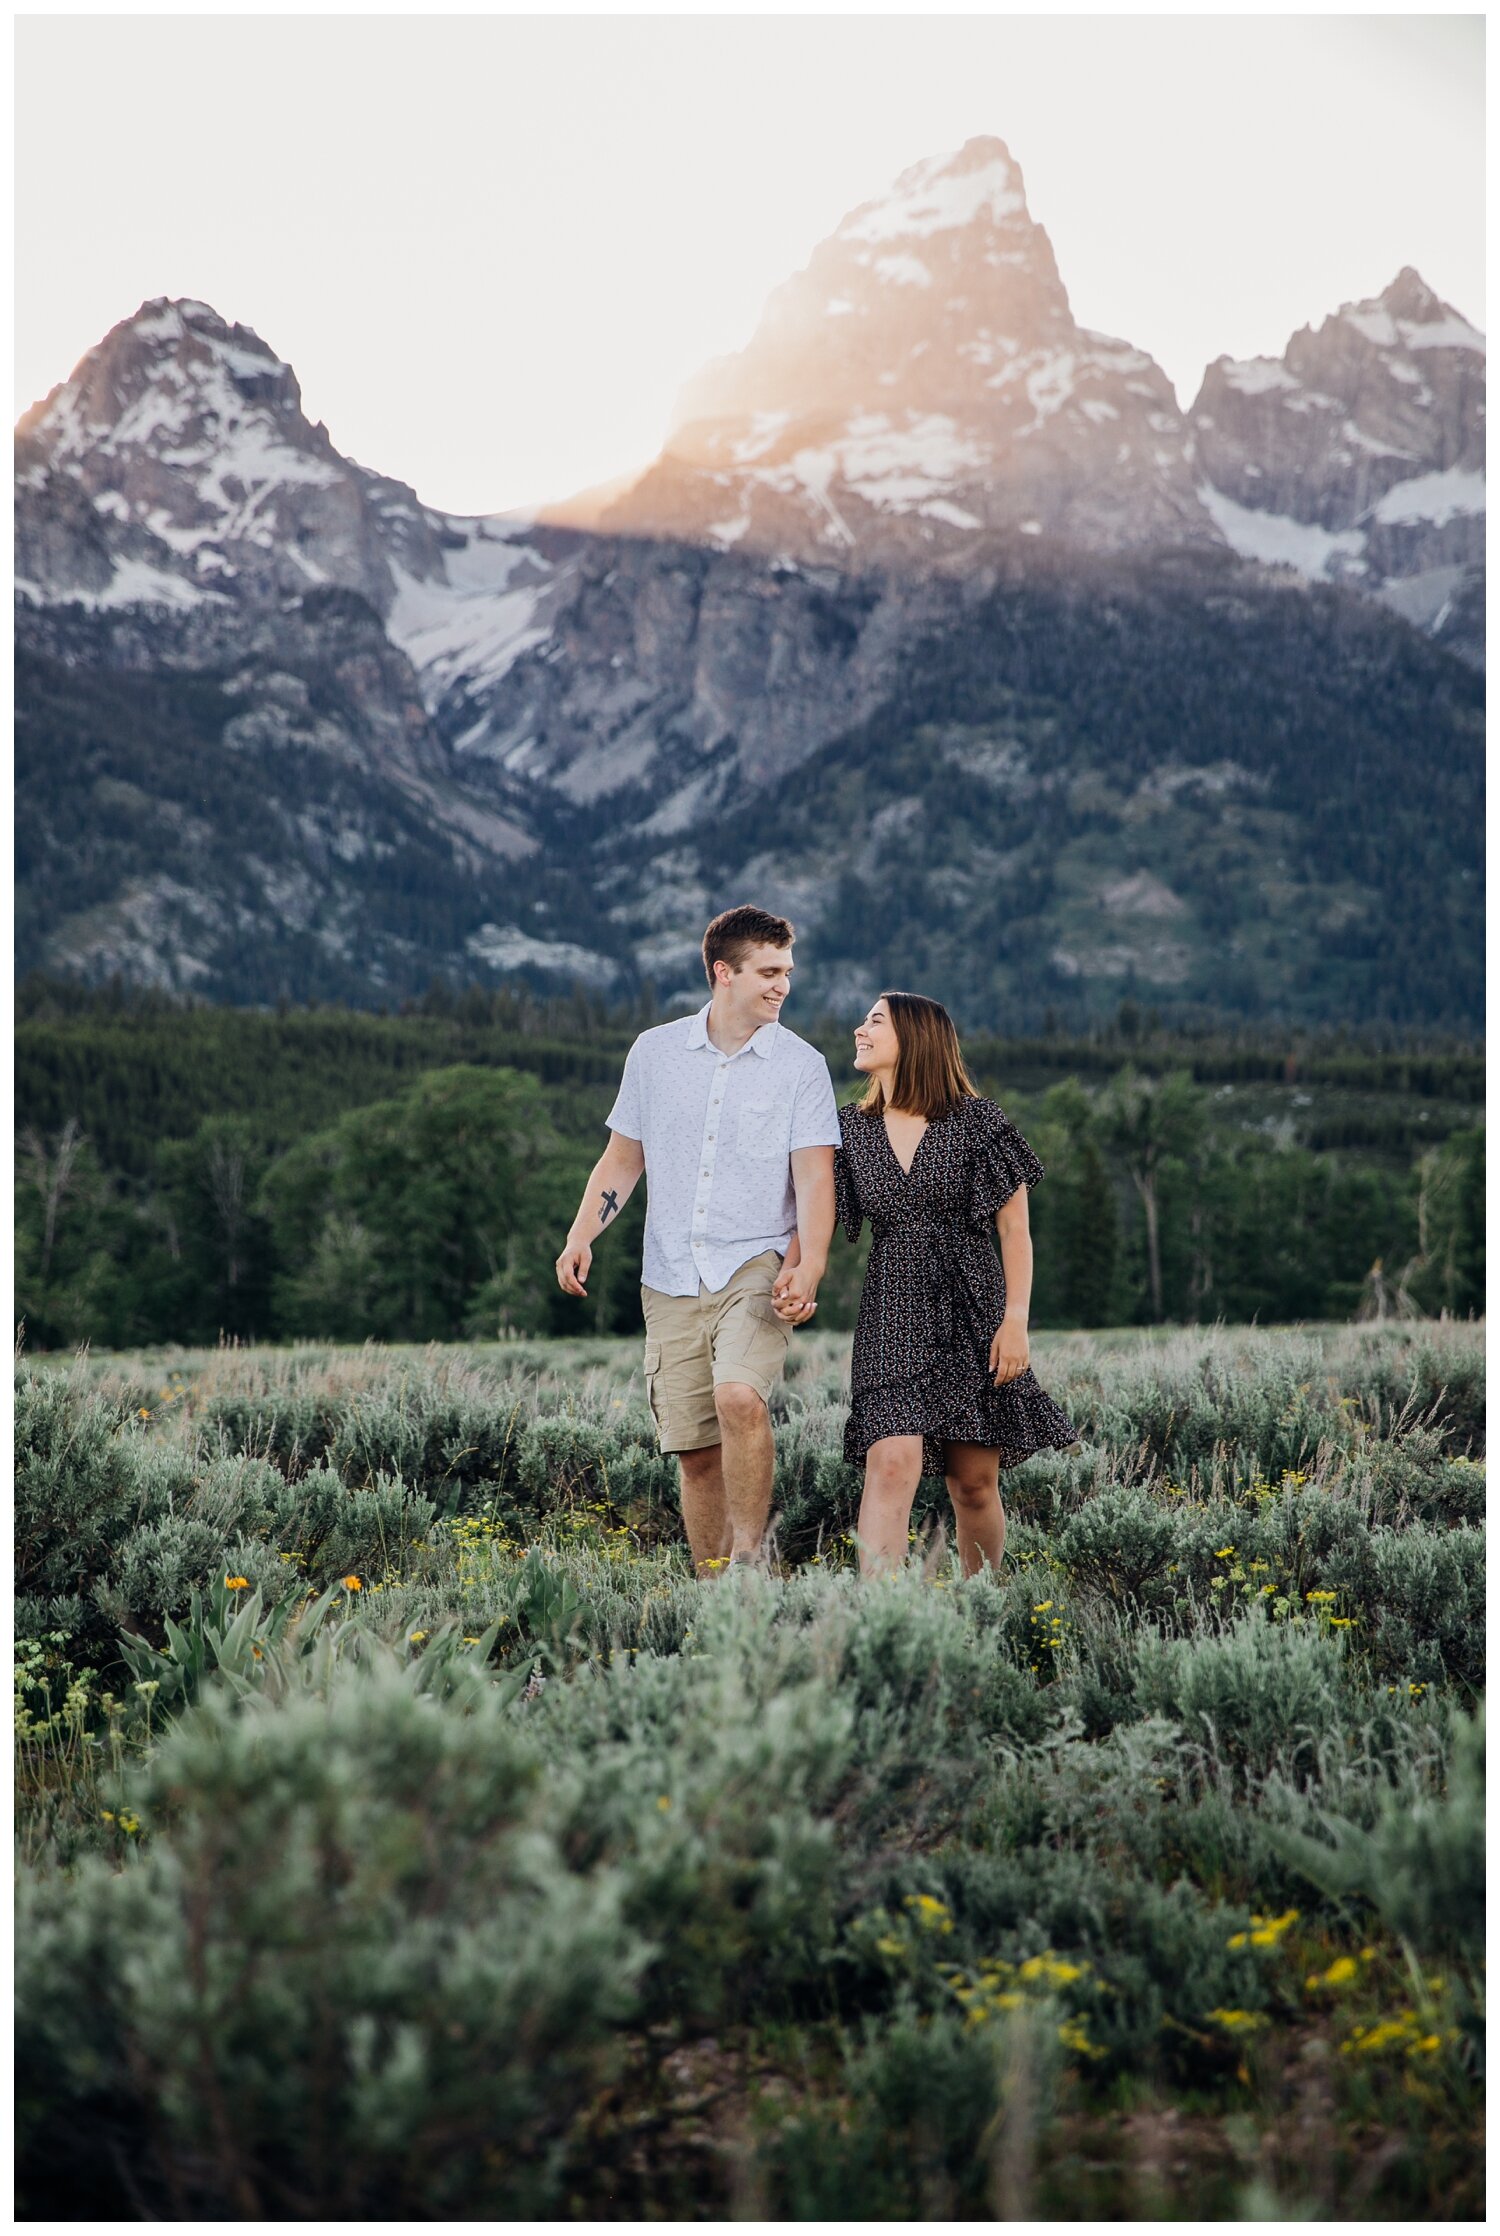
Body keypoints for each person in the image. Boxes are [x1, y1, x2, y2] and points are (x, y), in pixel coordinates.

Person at [555, 905, 840, 1575]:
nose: (782, 986)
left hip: (757, 1263)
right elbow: (623, 1159)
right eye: (769, 972)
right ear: (723, 973)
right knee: (695, 1450)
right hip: (671, 1272)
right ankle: (710, 1584)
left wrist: (811, 1267)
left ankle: (749, 1561)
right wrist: (582, 1234)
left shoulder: (801, 1065)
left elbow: (816, 1181)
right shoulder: (655, 1053)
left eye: (787, 973)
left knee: (738, 1396)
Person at [834, 990, 1079, 1579]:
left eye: (874, 1021)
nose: (858, 1031)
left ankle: (982, 1605)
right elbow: (812, 1217)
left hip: (974, 1307)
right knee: (890, 1461)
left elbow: (1015, 1231)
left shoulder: (977, 1121)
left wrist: (1015, 1321)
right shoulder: (848, 1129)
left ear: (915, 1037)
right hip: (892, 1306)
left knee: (972, 1482)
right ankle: (881, 1624)